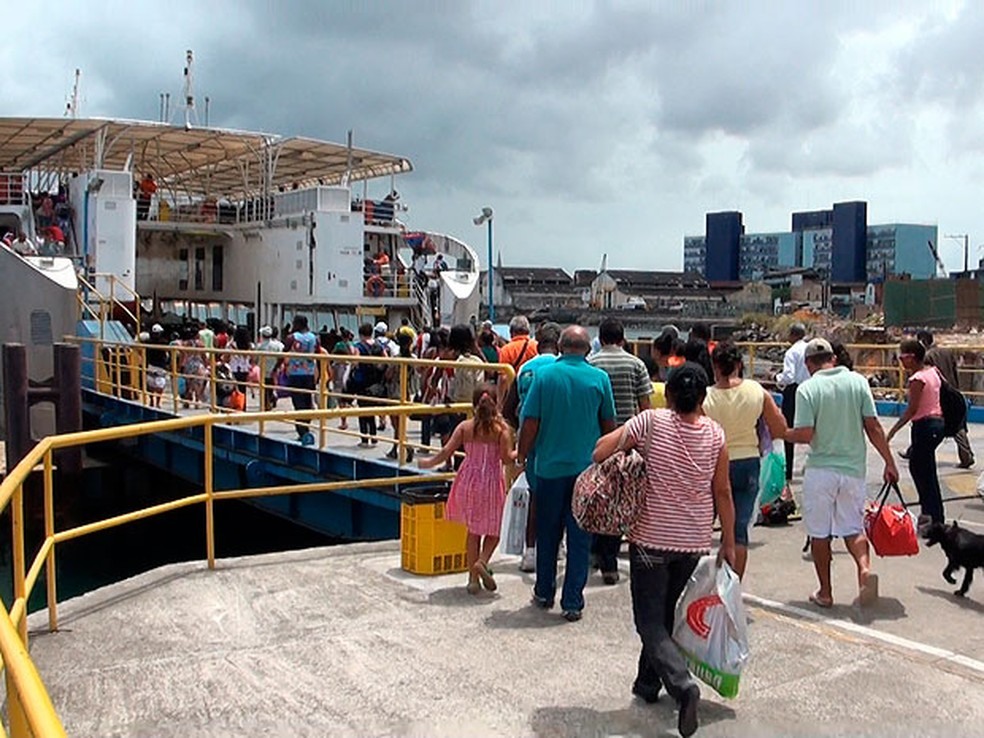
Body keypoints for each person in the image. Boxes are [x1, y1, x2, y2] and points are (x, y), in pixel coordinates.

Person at [592, 362, 735, 737]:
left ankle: (682, 685)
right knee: (665, 614)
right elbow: (722, 491)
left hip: (651, 540)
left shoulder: (650, 422)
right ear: (703, 399)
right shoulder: (716, 435)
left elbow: (600, 452)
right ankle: (646, 684)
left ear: (668, 394)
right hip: (693, 541)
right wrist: (730, 541)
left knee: (649, 622)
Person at [784, 338, 899, 609]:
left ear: (809, 364)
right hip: (853, 470)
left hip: (821, 471)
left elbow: (805, 434)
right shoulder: (858, 382)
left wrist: (782, 432)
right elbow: (873, 427)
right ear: (833, 358)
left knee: (819, 534)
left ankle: (825, 592)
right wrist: (889, 462)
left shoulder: (807, 389)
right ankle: (864, 571)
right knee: (853, 529)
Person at [518, 326, 616, 622]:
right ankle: (572, 600)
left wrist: (522, 454)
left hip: (548, 469)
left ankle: (544, 592)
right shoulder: (600, 379)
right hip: (586, 472)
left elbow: (531, 422)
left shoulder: (543, 377)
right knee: (579, 537)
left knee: (548, 533)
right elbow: (609, 424)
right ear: (587, 350)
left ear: (560, 347)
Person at [704, 341, 787, 579]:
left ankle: (703, 584)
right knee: (739, 530)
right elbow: (779, 428)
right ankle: (733, 587)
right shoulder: (756, 391)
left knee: (703, 526)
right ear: (740, 365)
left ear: (715, 367)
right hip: (748, 462)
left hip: (715, 464)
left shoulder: (706, 398)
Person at [419, 385, 514, 593]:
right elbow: (507, 458)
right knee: (495, 528)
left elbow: (446, 451)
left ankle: (472, 579)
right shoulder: (501, 430)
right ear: (496, 404)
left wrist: (428, 462)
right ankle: (483, 561)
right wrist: (520, 454)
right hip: (491, 480)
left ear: (473, 404)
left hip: (468, 479)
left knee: (473, 530)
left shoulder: (465, 427)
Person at [587, 316, 652, 585]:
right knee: (618, 502)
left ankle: (594, 551)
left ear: (600, 340)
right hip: (628, 441)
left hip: (597, 441)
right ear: (623, 339)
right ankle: (609, 561)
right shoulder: (636, 365)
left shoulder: (591, 364)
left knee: (596, 496)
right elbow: (646, 408)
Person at [502, 321, 561, 573]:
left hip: (531, 439)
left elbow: (508, 409)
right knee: (563, 497)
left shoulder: (526, 368)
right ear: (558, 343)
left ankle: (530, 551)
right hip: (561, 438)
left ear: (538, 342)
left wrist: (522, 437)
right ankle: (558, 547)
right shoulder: (564, 367)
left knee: (535, 496)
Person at [886, 338, 946, 528]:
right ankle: (933, 515)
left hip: (925, 425)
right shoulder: (933, 372)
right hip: (937, 424)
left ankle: (931, 516)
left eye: (902, 357)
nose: (901, 362)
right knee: (926, 470)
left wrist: (893, 431)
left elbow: (912, 410)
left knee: (920, 470)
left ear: (911, 358)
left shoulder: (917, 379)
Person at [916, 329, 974, 468]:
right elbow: (955, 371)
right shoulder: (947, 352)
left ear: (922, 342)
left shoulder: (927, 357)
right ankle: (966, 456)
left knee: (925, 424)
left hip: (939, 394)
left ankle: (916, 452)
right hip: (954, 392)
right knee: (958, 425)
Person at [775, 323, 810, 490]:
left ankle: (788, 471)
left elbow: (789, 376)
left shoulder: (791, 352)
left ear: (793, 335)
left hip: (794, 391)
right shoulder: (810, 348)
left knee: (789, 431)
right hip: (811, 389)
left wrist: (777, 378)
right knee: (813, 428)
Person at [284, 315, 320, 444]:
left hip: (295, 373)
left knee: (298, 403)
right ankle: (306, 426)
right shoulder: (314, 337)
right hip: (309, 373)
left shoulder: (292, 337)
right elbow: (317, 353)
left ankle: (302, 431)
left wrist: (278, 368)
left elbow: (284, 351)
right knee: (307, 401)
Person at [257, 326, 285, 411]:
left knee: (264, 388)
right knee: (271, 385)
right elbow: (282, 356)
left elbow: (255, 358)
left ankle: (267, 403)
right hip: (274, 368)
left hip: (263, 369)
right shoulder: (277, 345)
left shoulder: (260, 346)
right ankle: (272, 397)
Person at [144, 324, 170, 409]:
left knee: (150, 384)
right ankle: (158, 402)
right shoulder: (164, 342)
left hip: (151, 364)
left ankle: (152, 400)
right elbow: (167, 354)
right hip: (161, 365)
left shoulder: (148, 342)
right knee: (160, 385)